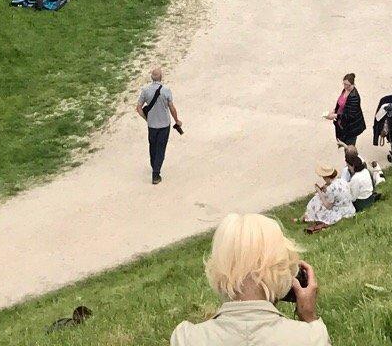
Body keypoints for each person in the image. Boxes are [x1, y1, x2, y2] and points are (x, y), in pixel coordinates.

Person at [168, 212, 324, 345]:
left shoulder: (185, 338)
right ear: (283, 269)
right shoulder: (312, 338)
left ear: (218, 268)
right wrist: (309, 318)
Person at [138, 67, 182, 184]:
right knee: (161, 148)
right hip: (164, 125)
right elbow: (171, 107)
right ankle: (156, 174)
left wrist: (146, 119)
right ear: (161, 77)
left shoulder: (145, 90)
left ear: (151, 78)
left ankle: (154, 166)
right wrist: (177, 120)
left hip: (152, 125)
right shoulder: (166, 90)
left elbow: (138, 108)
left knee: (152, 147)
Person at [302, 162, 355, 232]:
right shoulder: (342, 180)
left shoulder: (331, 188)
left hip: (340, 212)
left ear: (326, 177)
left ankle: (306, 217)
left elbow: (328, 206)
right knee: (319, 200)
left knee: (317, 202)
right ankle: (305, 217)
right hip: (349, 209)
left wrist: (319, 192)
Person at [329, 72, 364, 145]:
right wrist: (335, 110)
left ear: (353, 84)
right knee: (344, 144)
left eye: (347, 85)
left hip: (351, 127)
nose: (345, 86)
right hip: (343, 124)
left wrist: (335, 116)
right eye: (344, 84)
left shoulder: (354, 97)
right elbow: (340, 103)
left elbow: (349, 115)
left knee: (349, 150)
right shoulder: (345, 90)